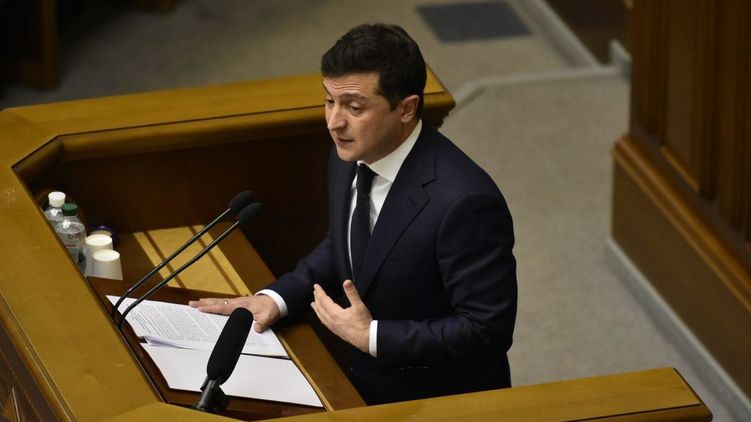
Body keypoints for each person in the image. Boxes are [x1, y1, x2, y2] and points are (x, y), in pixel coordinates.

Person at [189, 23, 517, 405]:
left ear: (406, 109)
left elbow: (487, 329)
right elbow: (344, 246)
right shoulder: (348, 155)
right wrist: (276, 299)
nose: (334, 122)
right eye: (329, 101)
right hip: (356, 383)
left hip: (437, 400)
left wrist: (373, 336)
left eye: (354, 107)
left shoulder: (465, 202)